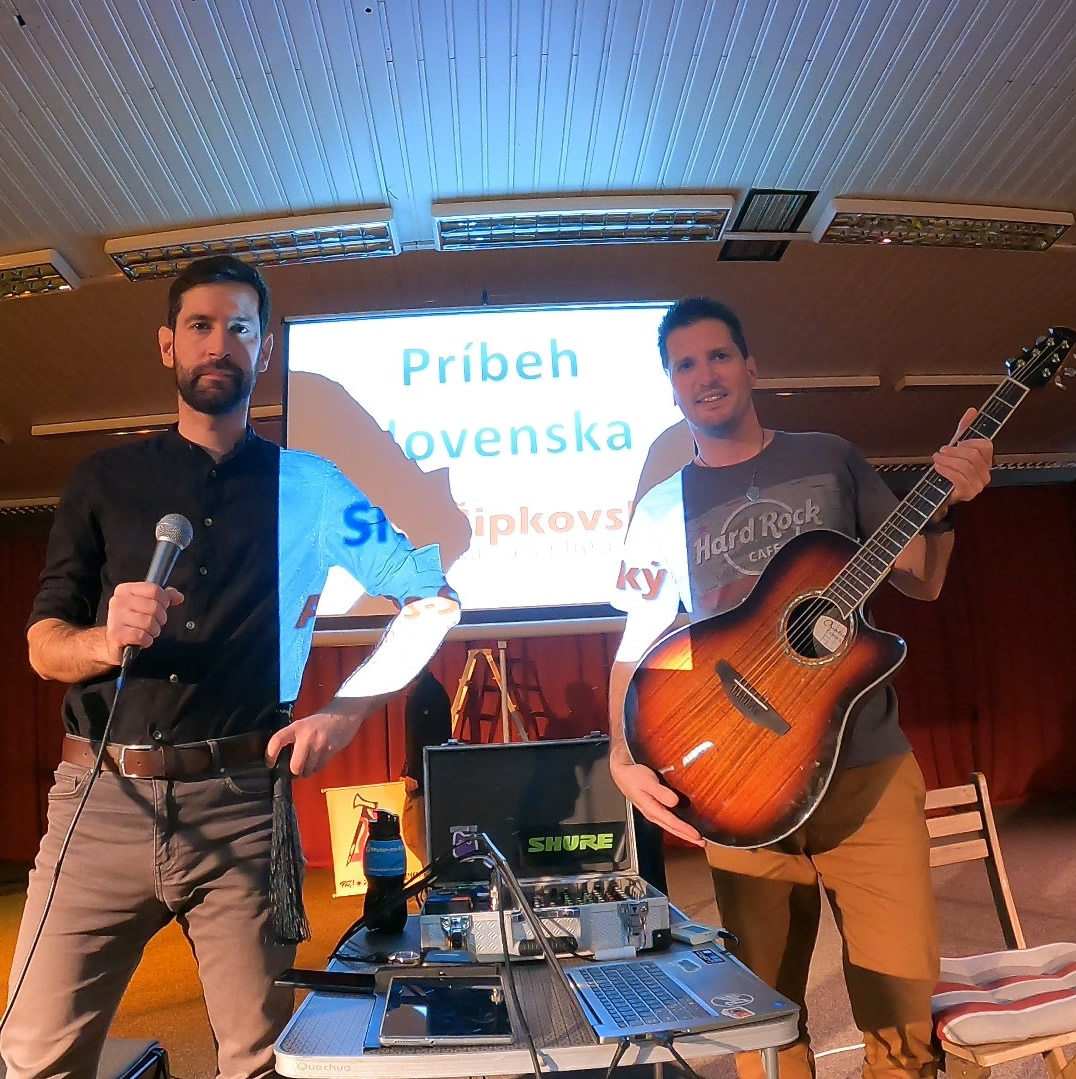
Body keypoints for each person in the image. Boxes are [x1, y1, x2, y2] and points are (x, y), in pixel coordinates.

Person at [1, 255, 460, 1079]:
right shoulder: (104, 479)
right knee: (34, 1055)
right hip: (98, 805)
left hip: (243, 808)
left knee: (261, 1061)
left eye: (240, 328)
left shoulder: (313, 486)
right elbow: (42, 645)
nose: (220, 344)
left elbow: (434, 598)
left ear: (265, 349)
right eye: (201, 326)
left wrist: (350, 706)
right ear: (168, 345)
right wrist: (104, 639)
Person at [607, 297, 993, 1079]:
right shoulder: (659, 506)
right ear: (671, 387)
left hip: (866, 773)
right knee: (761, 1021)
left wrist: (948, 507)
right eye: (686, 364)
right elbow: (638, 642)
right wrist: (620, 754)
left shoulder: (828, 457)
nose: (705, 374)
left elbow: (921, 578)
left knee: (902, 1019)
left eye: (719, 355)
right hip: (738, 779)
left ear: (752, 367)